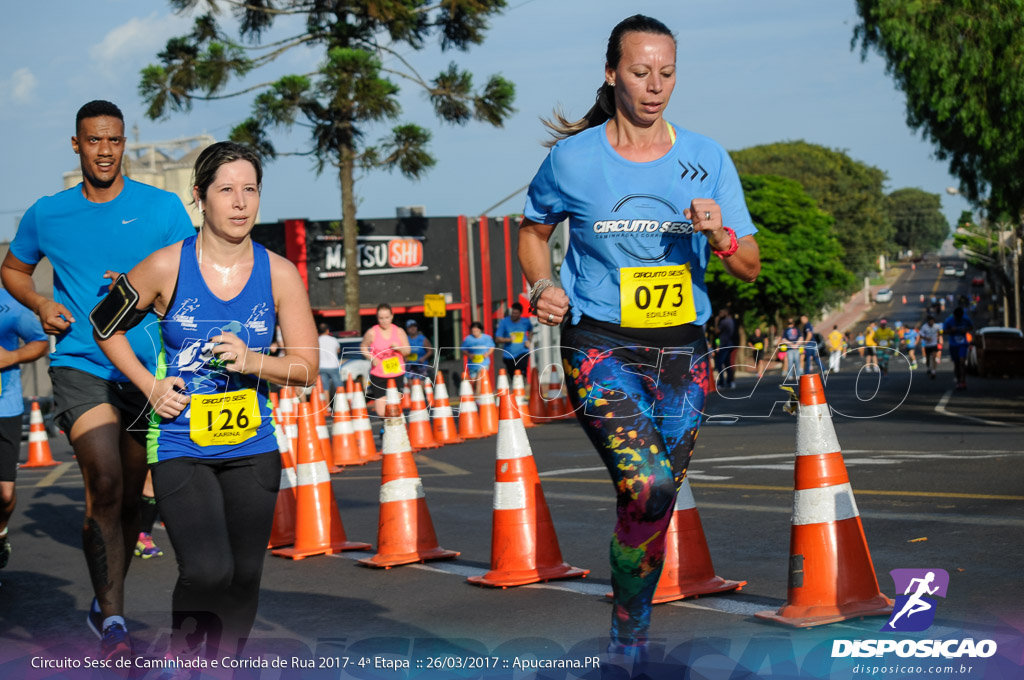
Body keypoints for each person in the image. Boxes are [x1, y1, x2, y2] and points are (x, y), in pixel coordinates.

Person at [517, 14, 760, 659]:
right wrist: (543, 288)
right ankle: (632, 642)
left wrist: (719, 236)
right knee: (648, 485)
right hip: (601, 345)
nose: (655, 86)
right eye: (641, 71)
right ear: (612, 73)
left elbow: (749, 265)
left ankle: (631, 639)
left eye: (667, 73)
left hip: (685, 351)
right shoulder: (572, 158)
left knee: (653, 502)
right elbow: (533, 232)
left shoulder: (707, 158)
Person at [96, 141, 318, 660]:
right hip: (180, 443)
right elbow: (103, 324)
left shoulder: (279, 273)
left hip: (253, 444)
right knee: (206, 570)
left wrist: (252, 361)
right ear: (200, 197)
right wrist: (150, 387)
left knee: (242, 577)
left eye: (250, 190)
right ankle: (189, 660)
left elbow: (306, 369)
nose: (240, 202)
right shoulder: (166, 266)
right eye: (226, 190)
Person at [1, 100, 195, 659]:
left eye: (113, 140)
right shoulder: (48, 213)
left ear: (124, 142)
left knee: (131, 498)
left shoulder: (160, 209)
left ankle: (106, 598)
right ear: (76, 145)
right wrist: (39, 301)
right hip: (80, 364)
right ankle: (112, 619)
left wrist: (144, 289)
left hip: (146, 370)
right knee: (104, 482)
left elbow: (190, 275)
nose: (104, 150)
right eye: (93, 141)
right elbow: (13, 268)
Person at [0, 290, 49, 570]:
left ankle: (1, 532)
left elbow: (40, 342)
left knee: (4, 495)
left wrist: (12, 357)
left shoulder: (9, 305)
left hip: (4, 407)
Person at [360, 303, 409, 418]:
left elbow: (407, 351)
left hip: (396, 374)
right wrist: (372, 357)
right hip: (379, 375)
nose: (384, 321)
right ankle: (386, 427)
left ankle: (395, 431)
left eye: (387, 317)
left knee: (394, 408)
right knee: (381, 412)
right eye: (381, 318)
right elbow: (363, 346)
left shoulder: (399, 332)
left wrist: (399, 348)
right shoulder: (372, 332)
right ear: (377, 318)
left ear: (392, 316)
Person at [494, 302, 532, 377]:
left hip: (522, 352)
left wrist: (529, 340)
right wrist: (508, 339)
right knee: (512, 375)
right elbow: (497, 339)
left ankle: (522, 385)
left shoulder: (526, 322)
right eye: (513, 313)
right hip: (509, 355)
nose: (514, 315)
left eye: (516, 313)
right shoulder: (504, 322)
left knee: (521, 372)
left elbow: (531, 330)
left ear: (520, 313)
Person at [942, 307, 973, 390]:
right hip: (953, 344)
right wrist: (951, 330)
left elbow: (971, 327)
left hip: (963, 344)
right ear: (954, 316)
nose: (958, 319)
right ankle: (958, 380)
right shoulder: (949, 320)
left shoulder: (966, 319)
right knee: (956, 363)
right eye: (957, 318)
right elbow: (944, 332)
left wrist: (966, 330)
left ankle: (963, 381)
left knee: (962, 361)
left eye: (960, 318)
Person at [317, 323, 342, 400]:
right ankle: (341, 403)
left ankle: (327, 406)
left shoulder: (317, 341)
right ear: (327, 331)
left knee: (325, 387)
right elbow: (338, 350)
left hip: (321, 366)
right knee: (338, 386)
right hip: (333, 365)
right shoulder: (333, 340)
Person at [715, 309, 737, 388]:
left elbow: (717, 331)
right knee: (727, 363)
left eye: (721, 312)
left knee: (719, 363)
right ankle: (730, 381)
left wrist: (716, 321)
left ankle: (721, 382)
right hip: (730, 344)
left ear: (725, 313)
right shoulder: (731, 320)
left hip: (725, 344)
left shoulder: (724, 322)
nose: (719, 314)